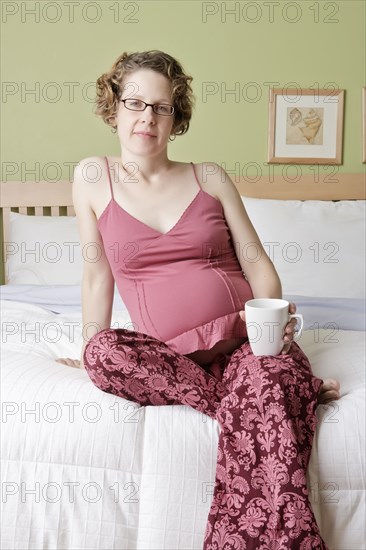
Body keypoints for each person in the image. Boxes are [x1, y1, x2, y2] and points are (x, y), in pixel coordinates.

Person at [56, 50, 340, 548]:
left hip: (245, 343)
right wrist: (86, 345)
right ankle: (277, 400)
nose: (147, 117)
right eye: (135, 102)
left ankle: (274, 391)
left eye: (162, 107)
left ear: (176, 117)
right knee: (102, 353)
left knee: (267, 373)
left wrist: (270, 321)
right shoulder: (91, 178)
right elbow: (97, 274)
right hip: (173, 360)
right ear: (113, 107)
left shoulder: (209, 176)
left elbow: (260, 269)